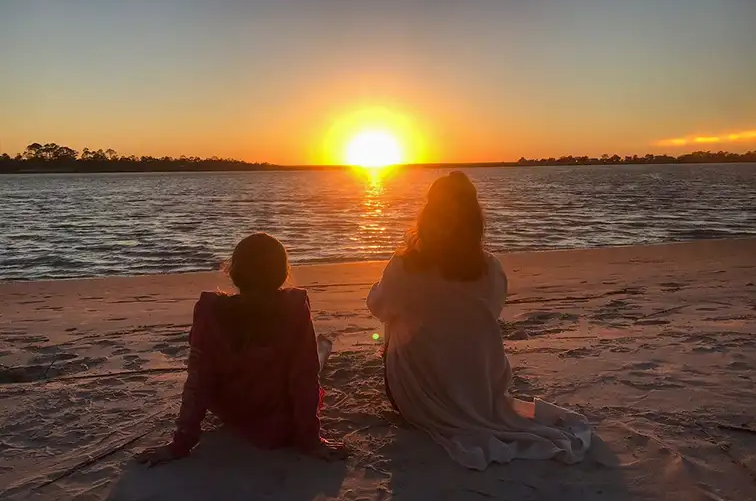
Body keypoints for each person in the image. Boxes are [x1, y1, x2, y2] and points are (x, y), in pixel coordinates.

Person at [367, 171, 591, 471]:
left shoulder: (406, 266)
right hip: (481, 390)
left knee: (395, 318)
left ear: (428, 213)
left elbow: (379, 308)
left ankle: (425, 381)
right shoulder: (490, 267)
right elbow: (492, 311)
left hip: (417, 398)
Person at [135, 233, 346, 467]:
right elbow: (303, 378)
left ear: (234, 272)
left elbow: (199, 380)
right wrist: (309, 440)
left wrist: (180, 444)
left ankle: (322, 347)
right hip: (280, 425)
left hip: (234, 411)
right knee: (311, 362)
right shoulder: (294, 307)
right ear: (282, 273)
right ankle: (323, 347)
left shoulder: (210, 311)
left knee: (307, 360)